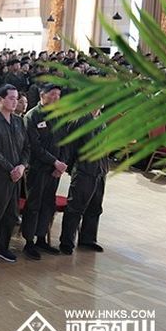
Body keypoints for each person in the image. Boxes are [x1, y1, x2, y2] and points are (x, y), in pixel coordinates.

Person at [0, 84, 30, 266]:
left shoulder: (18, 121)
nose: (15, 102)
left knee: (11, 214)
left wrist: (22, 166)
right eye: (11, 98)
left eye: (16, 98)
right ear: (0, 99)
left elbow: (26, 147)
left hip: (16, 176)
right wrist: (11, 169)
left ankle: (2, 247)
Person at [22, 83, 67, 259]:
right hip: (38, 168)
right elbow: (34, 146)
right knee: (33, 204)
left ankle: (41, 238)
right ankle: (29, 241)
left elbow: (65, 141)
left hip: (54, 170)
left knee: (48, 204)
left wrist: (61, 165)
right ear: (42, 95)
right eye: (53, 94)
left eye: (58, 95)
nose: (56, 98)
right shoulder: (32, 115)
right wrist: (54, 162)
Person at [59, 108, 108, 255]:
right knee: (75, 207)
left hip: (100, 169)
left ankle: (88, 239)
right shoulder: (80, 119)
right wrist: (71, 167)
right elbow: (70, 145)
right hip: (84, 169)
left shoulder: (101, 118)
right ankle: (67, 242)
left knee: (95, 207)